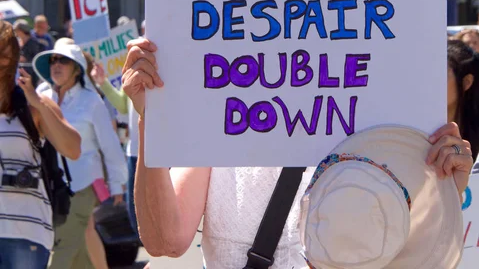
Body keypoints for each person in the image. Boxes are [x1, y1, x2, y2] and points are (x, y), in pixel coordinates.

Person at [121, 37, 474, 268]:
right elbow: (165, 240)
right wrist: (152, 121)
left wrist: (442, 191)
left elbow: (411, 252)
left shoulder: (382, 133)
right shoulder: (222, 114)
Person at [32, 42, 128, 269]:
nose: (56, 65)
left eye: (62, 60)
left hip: (83, 184)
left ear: (76, 68)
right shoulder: (39, 96)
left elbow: (110, 145)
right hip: (49, 185)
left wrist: (117, 184)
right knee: (79, 248)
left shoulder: (92, 101)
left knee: (64, 245)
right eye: (53, 60)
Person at [0, 20, 81, 269]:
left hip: (26, 233)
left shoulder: (33, 103)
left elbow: (73, 148)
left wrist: (37, 101)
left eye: (4, 55)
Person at [90, 61, 140, 237]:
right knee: (136, 217)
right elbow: (123, 106)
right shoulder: (134, 58)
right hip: (134, 152)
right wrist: (102, 82)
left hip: (163, 154)